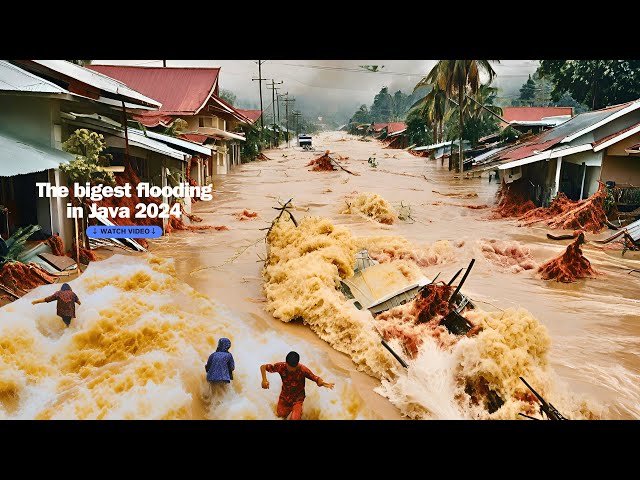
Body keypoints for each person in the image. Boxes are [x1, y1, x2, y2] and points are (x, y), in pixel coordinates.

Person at [260, 351, 334, 420]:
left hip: (298, 399)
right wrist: (264, 380)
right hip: (285, 397)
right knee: (280, 416)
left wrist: (323, 383)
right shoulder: (280, 366)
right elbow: (263, 367)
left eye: (294, 368)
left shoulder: (303, 370)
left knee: (295, 418)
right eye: (289, 367)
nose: (291, 370)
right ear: (286, 363)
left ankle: (298, 411)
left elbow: (316, 378)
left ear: (297, 364)